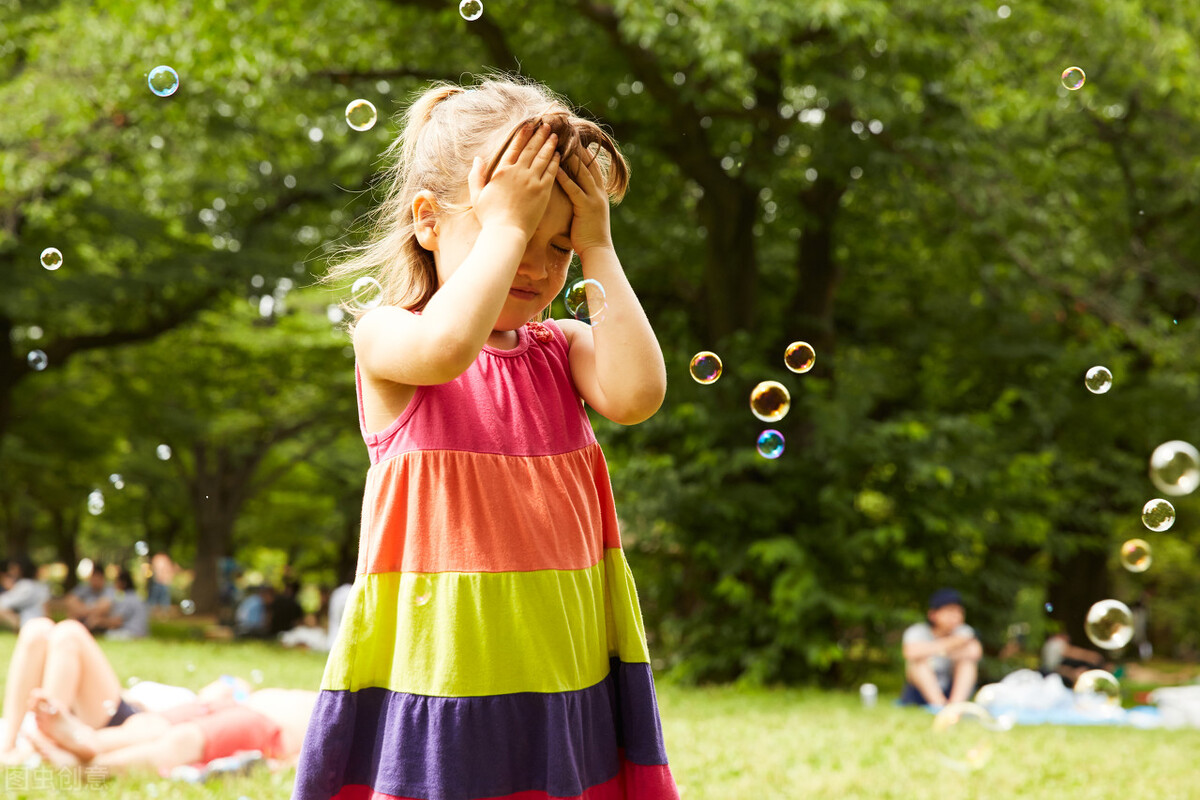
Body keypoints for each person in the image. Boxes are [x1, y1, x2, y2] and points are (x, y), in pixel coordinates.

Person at [290, 76, 678, 800]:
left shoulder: (561, 348)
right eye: (512, 233)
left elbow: (637, 395)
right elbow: (447, 349)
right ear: (429, 222)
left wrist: (597, 245)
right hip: (444, 673)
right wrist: (510, 226)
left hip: (561, 664)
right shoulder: (391, 338)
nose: (534, 264)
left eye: (555, 243)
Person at [26, 684, 318, 775]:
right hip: (235, 703)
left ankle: (89, 768)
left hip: (266, 726)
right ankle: (87, 741)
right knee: (147, 724)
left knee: (181, 740)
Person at [900, 588, 983, 707]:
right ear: (933, 614)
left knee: (967, 663)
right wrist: (953, 643)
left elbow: (975, 652)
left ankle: (955, 707)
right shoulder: (918, 631)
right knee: (919, 663)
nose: (956, 616)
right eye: (950, 611)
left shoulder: (963, 630)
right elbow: (910, 652)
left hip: (951, 689)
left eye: (959, 612)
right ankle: (939, 705)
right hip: (920, 691)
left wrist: (934, 650)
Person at [86, 568, 149, 640]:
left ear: (123, 583)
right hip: (143, 633)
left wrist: (98, 621)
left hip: (132, 633)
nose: (114, 585)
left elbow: (117, 622)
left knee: (108, 634)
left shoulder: (126, 598)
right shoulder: (136, 597)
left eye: (116, 582)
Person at [0, 554, 51, 630]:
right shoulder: (41, 585)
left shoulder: (25, 586)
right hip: (44, 623)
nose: (10, 572)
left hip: (29, 623)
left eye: (13, 568)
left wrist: (9, 588)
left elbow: (3, 603)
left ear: (20, 569)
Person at [1040, 632, 1108, 687]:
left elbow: (1058, 668)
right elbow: (1074, 653)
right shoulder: (1056, 644)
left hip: (1051, 673)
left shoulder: (1050, 645)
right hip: (1054, 673)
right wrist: (1091, 656)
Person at [64, 564, 116, 633]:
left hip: (100, 620)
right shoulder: (85, 587)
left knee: (95, 619)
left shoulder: (109, 589)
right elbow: (70, 600)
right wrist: (85, 611)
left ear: (102, 578)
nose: (94, 581)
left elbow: (104, 607)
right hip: (84, 617)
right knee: (72, 617)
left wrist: (84, 610)